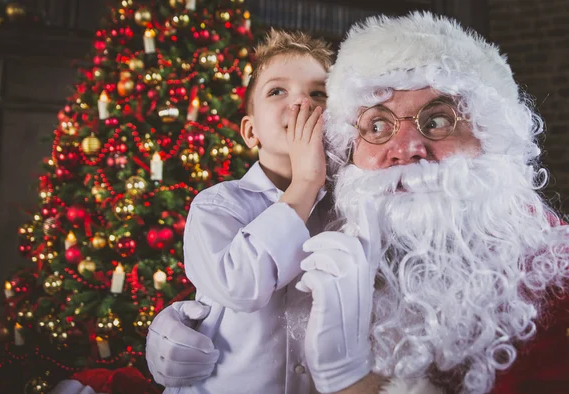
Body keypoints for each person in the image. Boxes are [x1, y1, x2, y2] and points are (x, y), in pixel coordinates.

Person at [147, 12, 569, 394]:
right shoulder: (239, 204)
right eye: (379, 124)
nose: (404, 149)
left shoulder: (544, 263)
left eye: (437, 121)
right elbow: (234, 283)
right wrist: (185, 319)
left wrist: (350, 379)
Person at [146, 29, 334, 394]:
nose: (301, 103)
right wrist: (306, 182)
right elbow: (242, 287)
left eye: (318, 93)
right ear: (251, 132)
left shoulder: (350, 208)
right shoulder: (217, 205)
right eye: (277, 91)